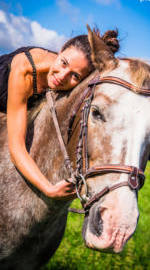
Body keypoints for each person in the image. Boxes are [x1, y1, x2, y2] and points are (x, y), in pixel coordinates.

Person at [0, 28, 119, 200]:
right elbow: (16, 148)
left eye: (75, 76)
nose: (62, 77)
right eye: (63, 63)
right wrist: (49, 189)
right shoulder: (24, 72)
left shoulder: (63, 75)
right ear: (60, 50)